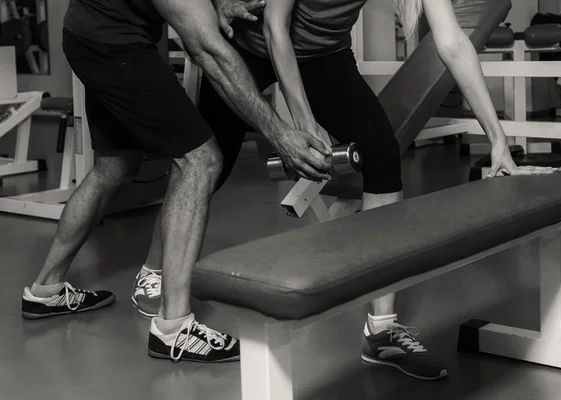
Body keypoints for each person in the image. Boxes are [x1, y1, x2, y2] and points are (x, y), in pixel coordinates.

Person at [132, 0, 556, 377]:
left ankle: (382, 332)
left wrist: (497, 139)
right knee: (207, 164)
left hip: (323, 54)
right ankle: (154, 272)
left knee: (383, 157)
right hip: (251, 47)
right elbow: (276, 26)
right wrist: (299, 118)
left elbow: (452, 43)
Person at [21, 0, 335, 364]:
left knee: (115, 165)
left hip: (90, 34)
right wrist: (279, 133)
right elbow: (208, 51)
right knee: (200, 160)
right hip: (114, 45)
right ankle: (174, 329)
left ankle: (45, 289)